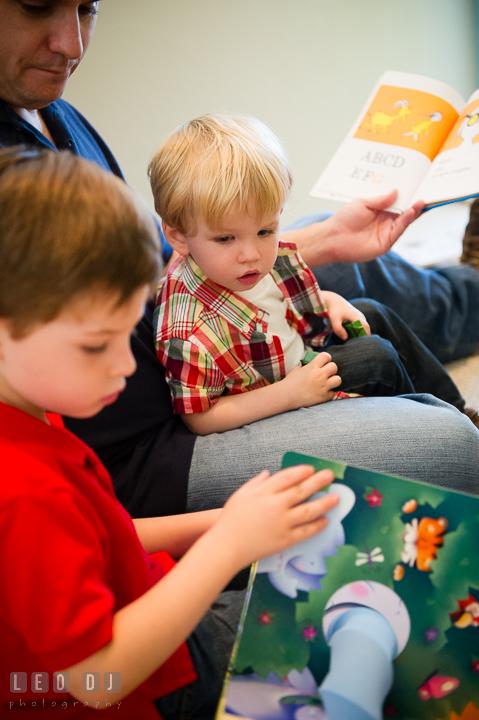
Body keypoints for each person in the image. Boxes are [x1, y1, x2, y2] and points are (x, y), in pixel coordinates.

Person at [0, 0, 478, 524]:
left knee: (346, 276)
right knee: (452, 444)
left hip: (235, 352)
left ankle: (467, 291)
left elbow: (167, 266)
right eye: (37, 7)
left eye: (87, 8)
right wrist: (294, 396)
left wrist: (326, 243)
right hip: (171, 434)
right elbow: (166, 305)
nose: (70, 44)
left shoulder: (52, 109)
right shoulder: (173, 328)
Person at [0, 147, 341, 718]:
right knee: (355, 616)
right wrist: (229, 544)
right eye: (94, 345)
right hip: (158, 682)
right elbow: (95, 680)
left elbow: (104, 540)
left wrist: (225, 523)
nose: (127, 366)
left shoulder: (33, 412)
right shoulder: (24, 489)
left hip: (155, 601)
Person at [151, 114, 470, 436]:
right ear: (178, 237)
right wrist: (288, 394)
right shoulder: (186, 331)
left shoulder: (247, 263)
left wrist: (326, 301)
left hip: (297, 359)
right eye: (224, 239)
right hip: (276, 400)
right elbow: (199, 418)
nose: (252, 254)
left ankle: (459, 414)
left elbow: (276, 309)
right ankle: (433, 435)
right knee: (375, 359)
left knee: (373, 312)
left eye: (265, 230)